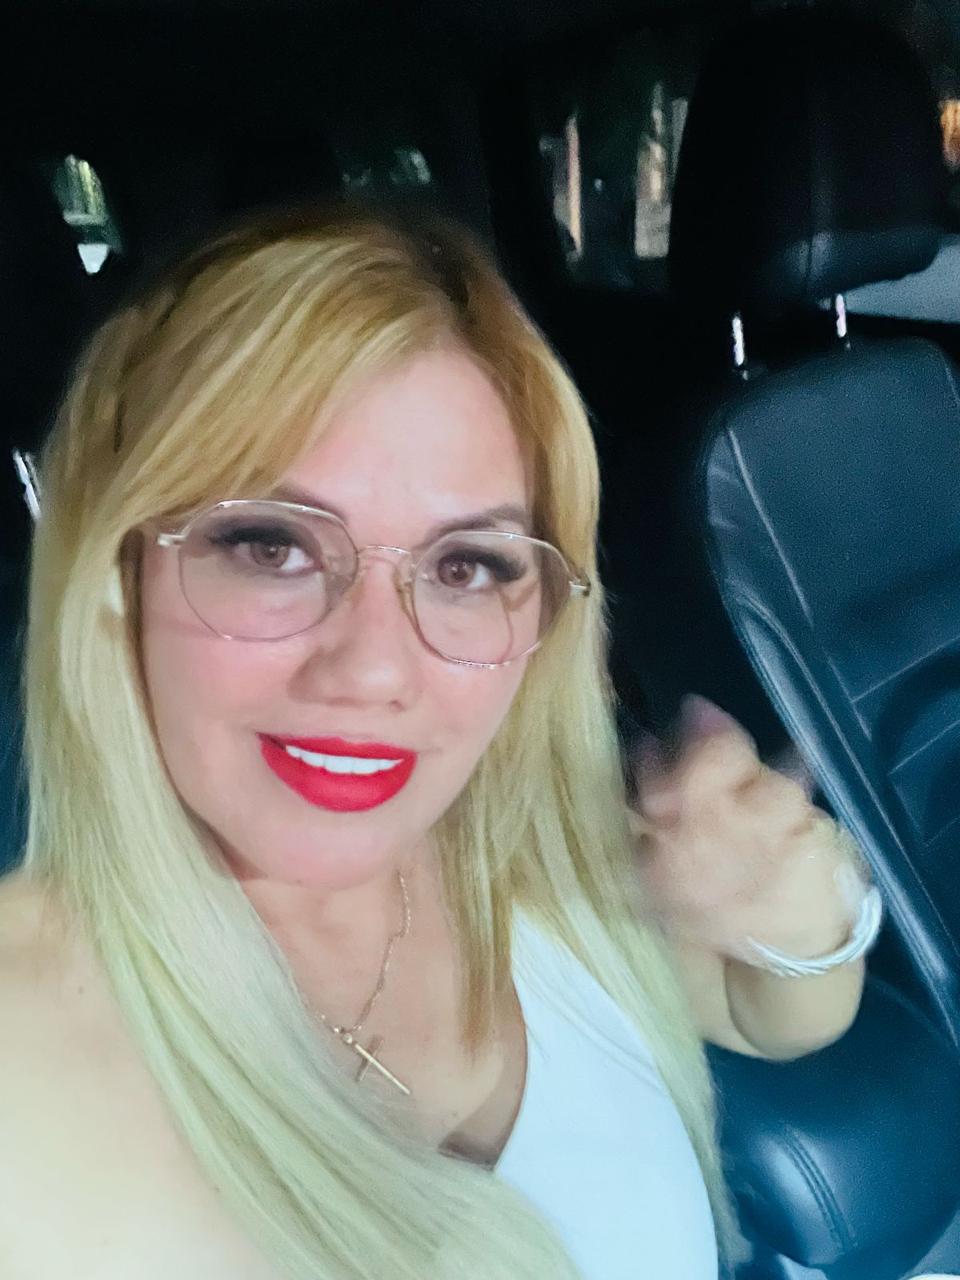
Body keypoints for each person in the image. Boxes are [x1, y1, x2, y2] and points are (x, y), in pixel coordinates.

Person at [0, 203, 875, 1280]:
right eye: (270, 545)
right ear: (116, 575)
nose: (374, 668)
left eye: (467, 566)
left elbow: (769, 1012)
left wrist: (808, 915)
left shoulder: (536, 847)